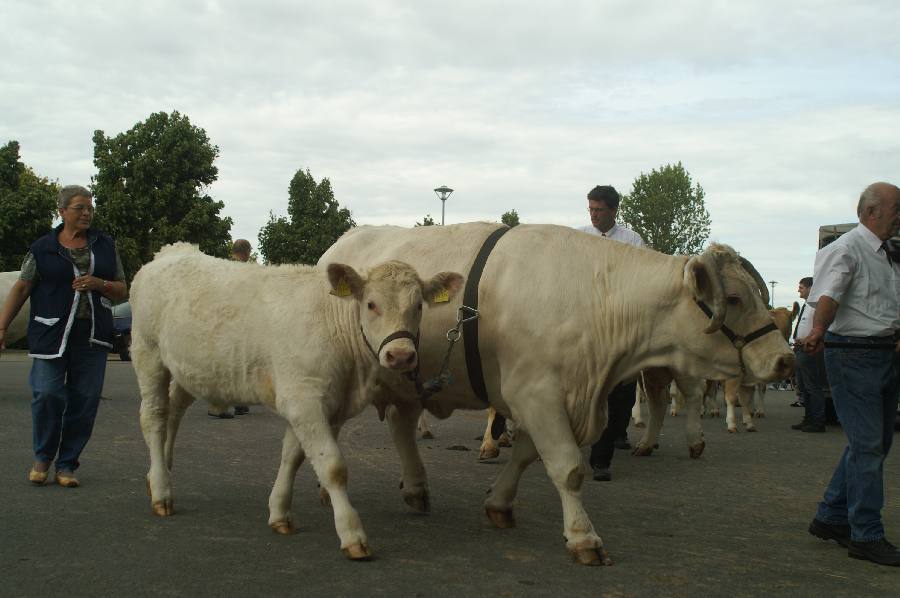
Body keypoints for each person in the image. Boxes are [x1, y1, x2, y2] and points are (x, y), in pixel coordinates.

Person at [0, 185, 127, 488]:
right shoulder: (43, 247)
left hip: (93, 335)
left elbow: (122, 287)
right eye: (80, 208)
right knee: (47, 393)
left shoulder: (105, 245)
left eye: (90, 208)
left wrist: (100, 284)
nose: (86, 213)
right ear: (62, 211)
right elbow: (22, 287)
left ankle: (67, 464)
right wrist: (2, 326)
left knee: (85, 399)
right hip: (50, 333)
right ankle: (43, 456)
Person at [803, 182, 900, 566]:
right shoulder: (845, 248)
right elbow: (829, 294)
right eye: (896, 207)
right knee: (868, 446)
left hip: (884, 355)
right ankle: (865, 534)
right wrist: (817, 332)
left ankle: (830, 517)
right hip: (852, 356)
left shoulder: (889, 254)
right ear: (871, 212)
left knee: (873, 443)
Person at [576, 185, 645, 481]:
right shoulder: (578, 238)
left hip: (618, 324)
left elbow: (639, 280)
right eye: (590, 209)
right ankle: (596, 457)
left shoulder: (632, 241)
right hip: (584, 323)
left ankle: (611, 440)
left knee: (618, 392)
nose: (593, 215)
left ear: (613, 211)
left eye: (599, 210)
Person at [208, 239, 253, 418]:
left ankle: (232, 402)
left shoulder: (221, 269)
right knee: (236, 363)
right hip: (236, 323)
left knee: (227, 364)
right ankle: (222, 405)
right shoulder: (244, 271)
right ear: (246, 252)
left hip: (221, 322)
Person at [790, 277, 829, 432]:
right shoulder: (807, 305)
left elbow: (820, 326)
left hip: (810, 349)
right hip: (800, 348)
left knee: (813, 386)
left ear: (811, 288)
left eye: (802, 287)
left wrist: (809, 340)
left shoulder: (817, 306)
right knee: (804, 387)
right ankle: (808, 419)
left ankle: (818, 421)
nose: (799, 290)